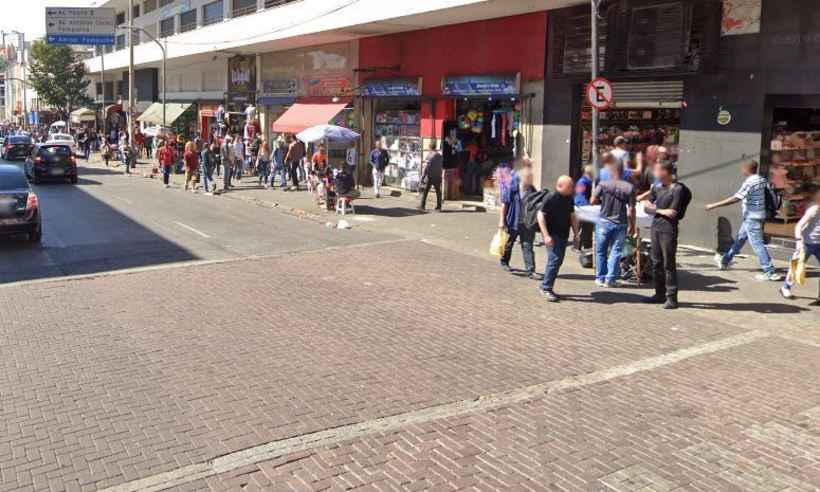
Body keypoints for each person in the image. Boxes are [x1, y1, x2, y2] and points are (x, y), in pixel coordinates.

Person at [706, 161, 782, 281]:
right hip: (756, 216)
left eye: (742, 168)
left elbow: (736, 198)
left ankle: (769, 271)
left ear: (747, 169)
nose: (741, 170)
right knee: (740, 239)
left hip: (752, 217)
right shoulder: (761, 179)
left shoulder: (750, 182)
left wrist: (714, 205)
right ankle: (725, 260)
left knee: (757, 244)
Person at [641, 161, 685, 309]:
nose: (655, 173)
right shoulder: (656, 187)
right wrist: (659, 210)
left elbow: (673, 212)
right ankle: (659, 293)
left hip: (668, 229)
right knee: (656, 262)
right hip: (656, 227)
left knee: (668, 264)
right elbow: (646, 208)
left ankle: (672, 298)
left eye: (657, 170)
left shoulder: (677, 189)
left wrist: (654, 208)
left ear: (666, 172)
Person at [590, 154, 636, 287]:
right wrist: (632, 225)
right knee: (616, 251)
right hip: (621, 223)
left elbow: (592, 201)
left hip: (604, 221)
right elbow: (631, 209)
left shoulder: (603, 184)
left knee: (601, 251)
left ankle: (600, 278)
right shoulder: (629, 187)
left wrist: (600, 199)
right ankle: (610, 279)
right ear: (623, 171)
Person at [537, 176, 579, 302]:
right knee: (554, 260)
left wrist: (576, 233)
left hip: (563, 235)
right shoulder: (551, 197)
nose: (572, 188)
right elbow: (540, 215)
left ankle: (546, 285)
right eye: (570, 186)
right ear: (560, 186)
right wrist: (546, 235)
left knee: (558, 261)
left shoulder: (569, 199)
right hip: (552, 234)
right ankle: (546, 288)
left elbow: (572, 216)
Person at [780, 186, 820, 304]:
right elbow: (798, 226)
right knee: (796, 265)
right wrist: (799, 242)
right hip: (806, 243)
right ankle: (785, 287)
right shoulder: (814, 209)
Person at [499, 167, 537, 278]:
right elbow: (504, 204)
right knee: (509, 243)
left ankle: (530, 270)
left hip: (527, 223)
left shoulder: (532, 190)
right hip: (513, 221)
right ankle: (504, 261)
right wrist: (502, 220)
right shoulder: (512, 188)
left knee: (527, 246)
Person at [574, 164, 595, 250]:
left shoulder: (589, 182)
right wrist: (585, 205)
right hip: (582, 207)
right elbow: (580, 195)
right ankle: (577, 246)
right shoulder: (582, 182)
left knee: (587, 228)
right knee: (581, 228)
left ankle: (586, 245)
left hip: (585, 207)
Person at [419, 140, 443, 213]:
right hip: (438, 176)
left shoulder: (429, 155)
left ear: (430, 147)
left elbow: (426, 167)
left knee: (425, 192)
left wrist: (422, 177)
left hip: (430, 176)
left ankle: (422, 206)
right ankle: (439, 207)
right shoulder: (440, 155)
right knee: (438, 192)